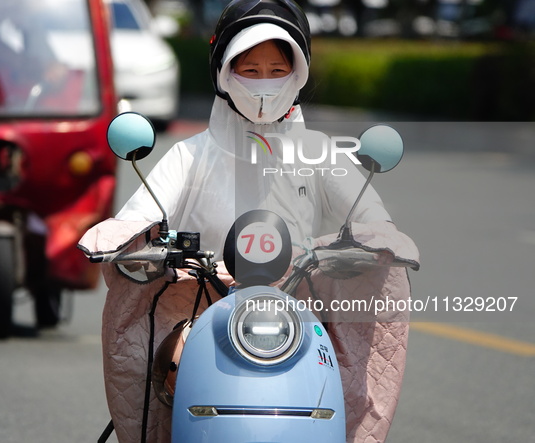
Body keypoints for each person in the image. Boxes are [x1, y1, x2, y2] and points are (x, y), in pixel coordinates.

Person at [79, 0, 419, 442]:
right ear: (223, 72)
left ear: (298, 73)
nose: (264, 84)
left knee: (342, 371)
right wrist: (125, 237)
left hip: (300, 317)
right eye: (250, 69)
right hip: (200, 311)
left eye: (277, 70)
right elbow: (139, 215)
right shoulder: (191, 154)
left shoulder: (319, 152)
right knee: (167, 364)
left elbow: (373, 220)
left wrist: (375, 244)